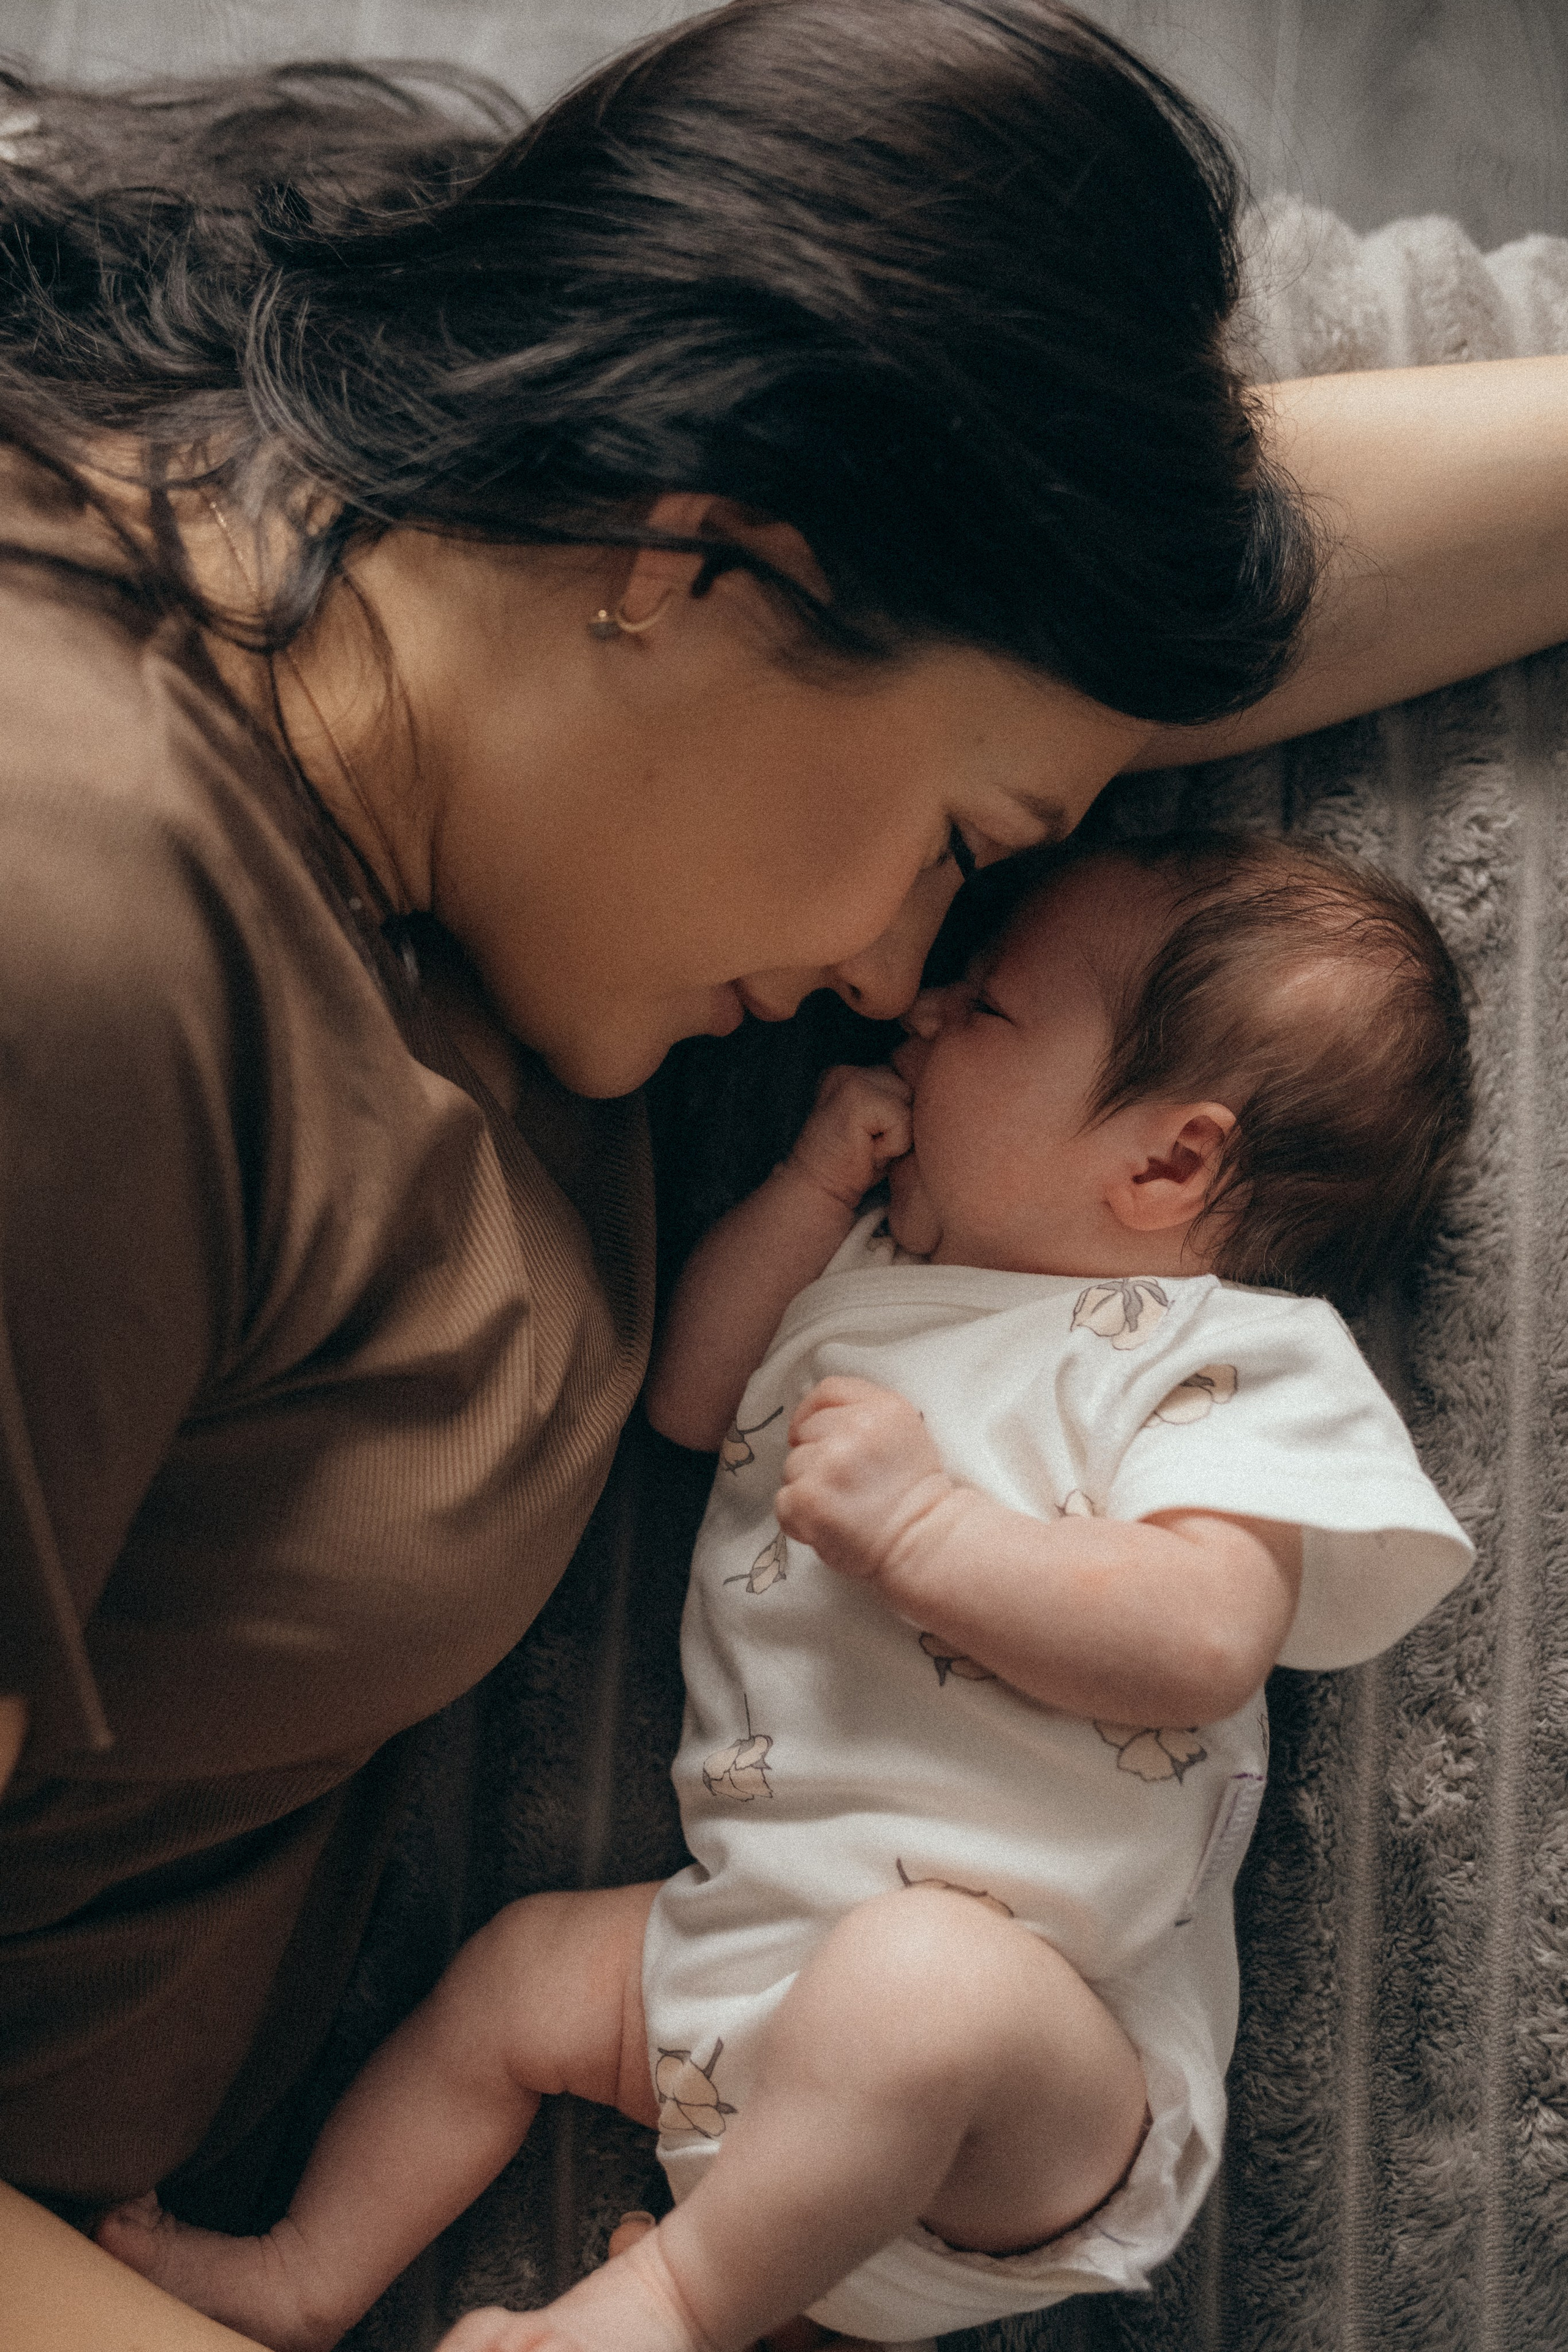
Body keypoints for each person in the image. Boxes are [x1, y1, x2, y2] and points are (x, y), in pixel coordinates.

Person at [2, 1, 1566, 2342]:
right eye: (963, 845)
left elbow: (1125, 579)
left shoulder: (421, 565)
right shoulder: (82, 942)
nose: (900, 981)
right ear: (706, 559)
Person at [92, 831, 1475, 2352]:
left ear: (1164, 1163)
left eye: (989, 1009)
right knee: (509, 1982)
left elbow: (1205, 1638)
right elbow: (693, 1400)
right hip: (744, 1954)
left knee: (917, 1985)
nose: (923, 1011)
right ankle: (308, 2276)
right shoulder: (871, 1268)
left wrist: (929, 1533)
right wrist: (811, 1194)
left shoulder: (1208, 1354)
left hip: (1032, 2056)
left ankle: (676, 2304)